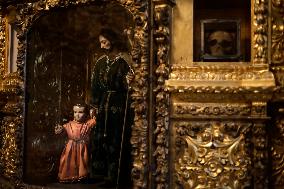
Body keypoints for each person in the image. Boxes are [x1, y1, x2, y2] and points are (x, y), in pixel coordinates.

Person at [90, 27, 133, 188]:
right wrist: (93, 106)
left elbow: (130, 85)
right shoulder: (100, 62)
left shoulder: (124, 61)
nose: (101, 46)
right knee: (102, 138)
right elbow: (95, 85)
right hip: (103, 105)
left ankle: (116, 177)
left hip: (119, 105)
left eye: (104, 42)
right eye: (100, 43)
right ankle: (101, 174)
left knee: (116, 138)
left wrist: (129, 82)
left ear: (112, 40)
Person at [55, 104, 96, 182]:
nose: (77, 114)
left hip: (82, 148)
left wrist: (92, 112)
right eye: (75, 112)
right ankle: (69, 176)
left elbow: (95, 119)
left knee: (82, 163)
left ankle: (81, 177)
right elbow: (61, 130)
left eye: (80, 112)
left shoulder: (87, 124)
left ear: (85, 114)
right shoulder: (68, 125)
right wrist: (59, 129)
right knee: (69, 163)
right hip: (70, 147)